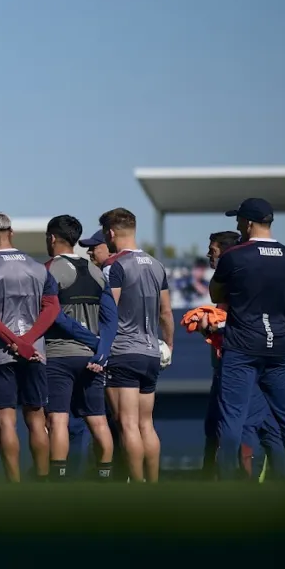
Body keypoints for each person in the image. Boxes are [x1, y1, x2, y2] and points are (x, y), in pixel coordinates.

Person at [208, 198, 285, 480]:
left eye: (239, 220)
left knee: (232, 417)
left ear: (249, 223)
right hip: (279, 347)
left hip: (242, 347)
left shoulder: (235, 256)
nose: (237, 224)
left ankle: (227, 482)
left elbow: (216, 294)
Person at [0, 212, 60, 483]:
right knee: (36, 419)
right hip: (34, 353)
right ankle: (43, 479)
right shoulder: (39, 268)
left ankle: (14, 484)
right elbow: (52, 308)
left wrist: (15, 342)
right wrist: (28, 342)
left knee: (5, 422)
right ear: (12, 233)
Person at [195, 230, 285, 481]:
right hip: (230, 365)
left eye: (212, 250)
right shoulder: (233, 282)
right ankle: (215, 480)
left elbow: (250, 321)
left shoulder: (244, 282)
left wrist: (215, 326)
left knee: (249, 428)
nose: (208, 255)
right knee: (220, 428)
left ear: (226, 253)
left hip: (244, 365)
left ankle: (245, 481)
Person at [98, 207, 173, 484]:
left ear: (111, 233)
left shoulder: (114, 265)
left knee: (127, 424)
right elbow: (166, 313)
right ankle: (152, 485)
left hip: (123, 352)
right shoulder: (156, 264)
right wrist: (169, 347)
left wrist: (99, 347)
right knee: (146, 424)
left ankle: (137, 486)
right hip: (151, 352)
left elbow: (109, 310)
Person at [42, 215, 116, 482]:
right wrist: (101, 350)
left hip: (59, 355)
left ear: (52, 238)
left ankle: (59, 479)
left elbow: (54, 315)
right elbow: (111, 317)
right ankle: (105, 478)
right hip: (93, 359)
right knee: (98, 420)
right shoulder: (97, 271)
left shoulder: (49, 269)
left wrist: (88, 339)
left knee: (58, 421)